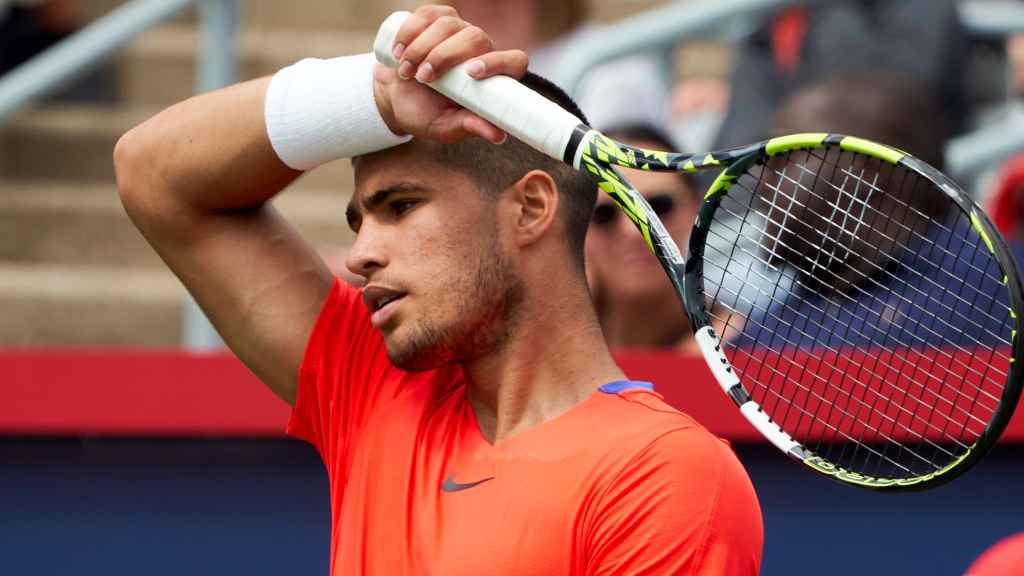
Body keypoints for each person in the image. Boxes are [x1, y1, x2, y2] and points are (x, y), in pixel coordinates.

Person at [113, 5, 762, 575]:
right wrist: (371, 99)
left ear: (531, 209)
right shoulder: (373, 389)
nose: (363, 253)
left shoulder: (664, 476)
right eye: (359, 221)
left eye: (400, 207)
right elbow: (152, 174)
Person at [584, 123, 702, 352]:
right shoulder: (532, 353)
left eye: (658, 206)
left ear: (695, 208)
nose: (633, 231)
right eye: (604, 214)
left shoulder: (755, 350)